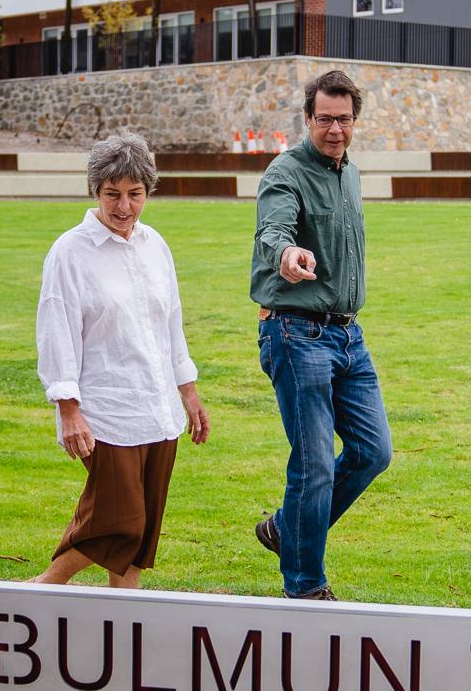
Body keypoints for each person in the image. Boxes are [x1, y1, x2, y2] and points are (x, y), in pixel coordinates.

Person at [34, 133, 209, 589]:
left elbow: (171, 323)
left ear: (148, 192)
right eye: (112, 193)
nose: (124, 206)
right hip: (106, 414)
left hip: (157, 409)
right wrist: (68, 409)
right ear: (95, 190)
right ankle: (42, 589)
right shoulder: (70, 252)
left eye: (135, 193)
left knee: (142, 534)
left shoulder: (155, 245)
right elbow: (57, 333)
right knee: (120, 523)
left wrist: (188, 392)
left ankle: (126, 618)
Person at [250, 69, 392, 601]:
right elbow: (274, 229)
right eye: (325, 119)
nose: (336, 129)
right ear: (308, 118)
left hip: (348, 336)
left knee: (373, 451)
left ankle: (287, 529)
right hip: (296, 333)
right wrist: (286, 254)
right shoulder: (286, 172)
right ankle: (306, 588)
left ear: (355, 121)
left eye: (345, 120)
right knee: (314, 467)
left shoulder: (348, 172)